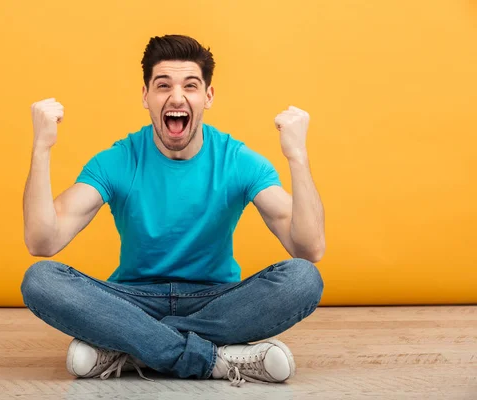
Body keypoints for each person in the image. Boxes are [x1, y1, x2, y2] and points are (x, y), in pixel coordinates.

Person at [21, 34, 325, 388]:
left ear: (207, 97)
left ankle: (133, 348)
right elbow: (43, 241)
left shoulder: (237, 160)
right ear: (146, 96)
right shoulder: (119, 160)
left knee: (303, 279)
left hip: (215, 301)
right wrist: (41, 148)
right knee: (40, 279)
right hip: (132, 300)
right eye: (163, 85)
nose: (176, 97)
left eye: (190, 86)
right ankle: (213, 358)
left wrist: (297, 157)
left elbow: (309, 248)